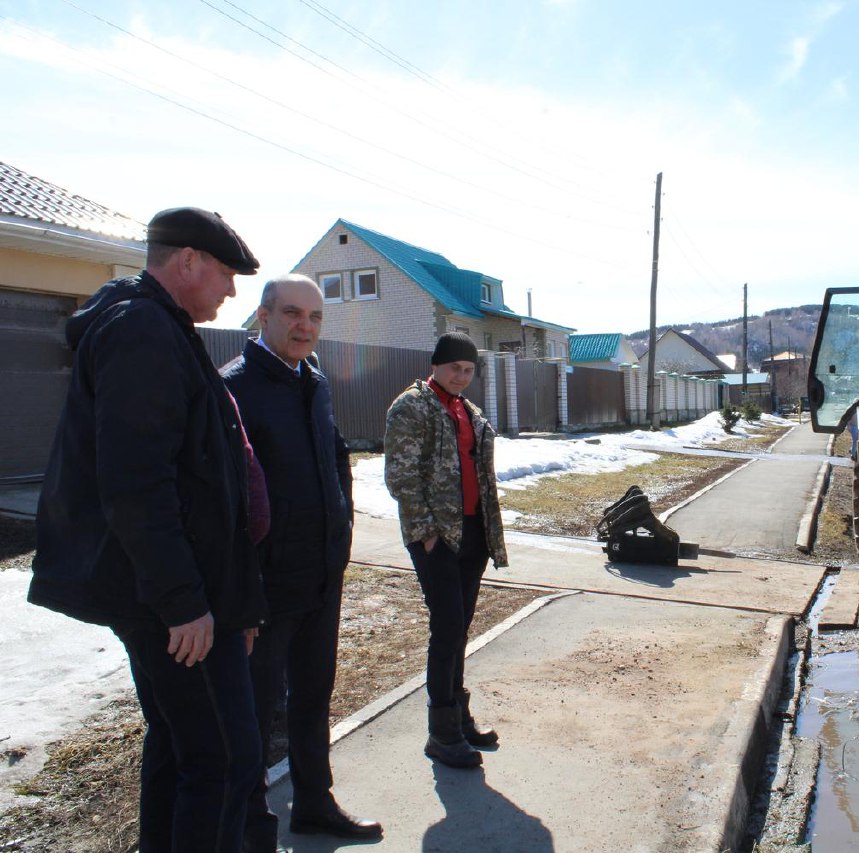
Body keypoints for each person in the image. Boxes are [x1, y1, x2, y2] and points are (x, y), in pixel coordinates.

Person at [29, 207, 267, 852]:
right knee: (222, 760)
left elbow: (204, 482)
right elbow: (137, 483)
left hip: (184, 591)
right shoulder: (143, 331)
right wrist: (183, 603)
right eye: (225, 273)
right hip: (169, 600)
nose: (231, 291)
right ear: (187, 261)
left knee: (181, 748)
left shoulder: (160, 326)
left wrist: (231, 601)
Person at [221, 275, 382, 849]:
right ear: (262, 316)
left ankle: (314, 804)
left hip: (319, 575)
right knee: (254, 714)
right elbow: (227, 500)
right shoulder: (235, 389)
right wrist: (243, 590)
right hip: (267, 588)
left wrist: (340, 536)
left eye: (315, 317)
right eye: (292, 313)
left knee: (314, 698)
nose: (305, 327)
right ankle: (245, 828)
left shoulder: (313, 382)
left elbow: (335, 460)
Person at [384, 332, 508, 769]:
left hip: (472, 532)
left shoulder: (467, 410)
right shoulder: (412, 406)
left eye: (469, 370)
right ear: (435, 365)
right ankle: (441, 732)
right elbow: (401, 474)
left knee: (462, 625)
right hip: (437, 537)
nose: (461, 376)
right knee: (448, 625)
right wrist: (425, 531)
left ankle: (459, 716)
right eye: (454, 367)